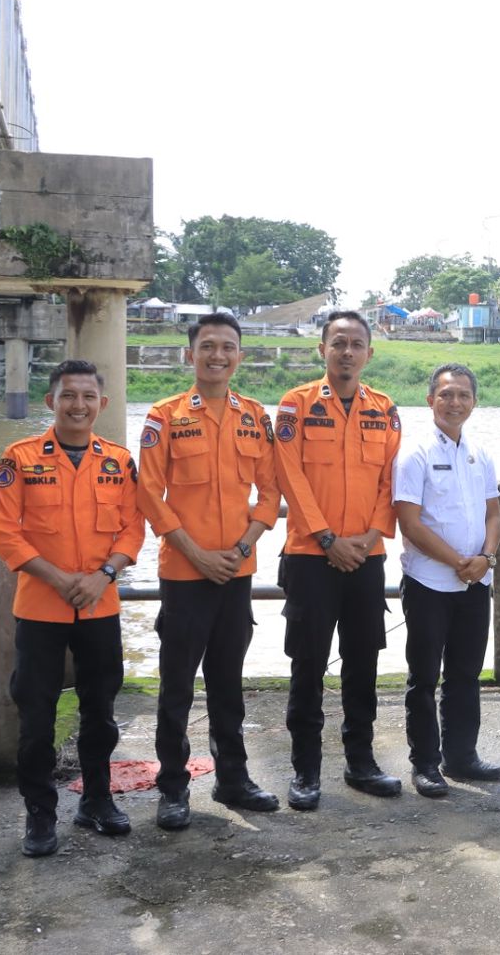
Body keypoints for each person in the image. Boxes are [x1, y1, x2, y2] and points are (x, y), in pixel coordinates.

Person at [0, 360, 145, 856]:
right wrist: (58, 578)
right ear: (49, 401)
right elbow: (4, 532)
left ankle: (96, 801)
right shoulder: (20, 457)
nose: (78, 405)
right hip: (40, 608)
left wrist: (103, 575)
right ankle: (39, 815)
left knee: (100, 713)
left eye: (88, 396)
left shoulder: (117, 461)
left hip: (100, 605)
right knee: (36, 717)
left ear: (102, 403)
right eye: (68, 395)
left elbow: (132, 528)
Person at [137, 314, 282, 829]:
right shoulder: (165, 416)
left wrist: (243, 546)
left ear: (239, 356)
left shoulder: (254, 415)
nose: (217, 355)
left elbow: (270, 492)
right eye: (207, 347)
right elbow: (149, 494)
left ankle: (233, 780)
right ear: (189, 354)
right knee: (176, 686)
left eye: (228, 347)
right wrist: (196, 553)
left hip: (236, 571)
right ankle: (173, 789)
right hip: (184, 573)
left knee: (228, 682)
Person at [275, 311, 404, 809]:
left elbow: (390, 483)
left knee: (362, 661)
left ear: (369, 353)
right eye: (338, 343)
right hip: (311, 555)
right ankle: (305, 770)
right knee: (307, 664)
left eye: (356, 344)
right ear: (322, 349)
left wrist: (369, 536)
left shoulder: (386, 410)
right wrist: (328, 538)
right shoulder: (295, 406)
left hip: (366, 557)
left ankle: (361, 762)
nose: (347, 352)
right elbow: (289, 475)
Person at [393, 364, 500, 797]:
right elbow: (410, 521)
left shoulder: (480, 452)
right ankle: (425, 763)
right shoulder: (415, 452)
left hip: (475, 583)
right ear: (430, 401)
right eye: (446, 395)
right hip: (429, 583)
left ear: (474, 402)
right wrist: (460, 560)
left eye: (463, 395)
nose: (454, 402)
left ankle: (462, 756)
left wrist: (486, 557)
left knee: (465, 674)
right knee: (423, 677)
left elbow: (493, 512)